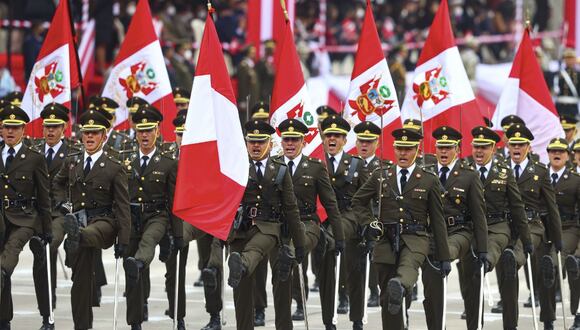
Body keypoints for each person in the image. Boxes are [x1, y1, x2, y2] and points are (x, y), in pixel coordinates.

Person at [351, 128, 450, 330]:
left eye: (408, 149)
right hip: (385, 239)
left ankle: (402, 285)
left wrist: (444, 256)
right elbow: (358, 202)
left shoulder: (429, 179)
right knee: (388, 296)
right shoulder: (381, 175)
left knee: (407, 270)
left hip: (416, 237)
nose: (403, 153)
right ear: (394, 150)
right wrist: (368, 223)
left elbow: (438, 221)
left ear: (417, 149)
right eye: (399, 149)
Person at [53, 110, 130, 330]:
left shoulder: (114, 165)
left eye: (94, 133)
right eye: (86, 132)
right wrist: (63, 204)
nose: (89, 137)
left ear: (104, 136)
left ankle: (76, 236)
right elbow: (57, 184)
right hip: (78, 220)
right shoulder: (72, 161)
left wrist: (123, 239)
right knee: (80, 282)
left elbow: (123, 205)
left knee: (88, 233)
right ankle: (82, 326)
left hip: (105, 222)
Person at [226, 120, 305, 330]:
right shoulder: (236, 167)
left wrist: (300, 244)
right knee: (241, 291)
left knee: (279, 283)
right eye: (252, 141)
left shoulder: (279, 169)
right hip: (241, 230)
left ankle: (284, 326)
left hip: (271, 229)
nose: (255, 146)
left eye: (260, 142)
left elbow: (291, 208)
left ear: (270, 144)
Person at [271, 118, 344, 327]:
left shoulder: (315, 167)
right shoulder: (274, 166)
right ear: (281, 141)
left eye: (295, 139)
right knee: (281, 276)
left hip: (308, 223)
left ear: (303, 141)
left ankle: (329, 321)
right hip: (281, 227)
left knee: (294, 257)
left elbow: (331, 204)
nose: (290, 144)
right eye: (286, 139)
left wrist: (339, 236)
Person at [460, 126, 531, 330]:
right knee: (470, 282)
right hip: (471, 229)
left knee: (506, 276)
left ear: (493, 148)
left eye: (484, 147)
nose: (479, 151)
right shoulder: (464, 171)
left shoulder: (504, 172)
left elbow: (517, 208)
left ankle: (511, 325)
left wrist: (526, 240)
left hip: (498, 227)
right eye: (476, 147)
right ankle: (474, 326)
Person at [421, 126, 488, 330]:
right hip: (432, 233)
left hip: (460, 232)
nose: (443, 151)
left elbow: (478, 214)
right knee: (431, 287)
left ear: (456, 149)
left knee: (471, 285)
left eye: (448, 147)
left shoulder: (469, 175)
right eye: (440, 147)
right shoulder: (425, 173)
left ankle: (473, 326)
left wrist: (483, 248)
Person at [122, 106, 178, 329]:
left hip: (158, 216)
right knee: (132, 274)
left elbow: (173, 200)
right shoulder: (124, 160)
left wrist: (178, 234)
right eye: (140, 130)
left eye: (148, 130)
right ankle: (135, 322)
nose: (144, 135)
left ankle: (140, 261)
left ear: (157, 131)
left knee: (147, 243)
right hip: (131, 218)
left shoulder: (168, 162)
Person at [505, 124, 562, 329]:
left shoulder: (539, 171)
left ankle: (548, 319)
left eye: (521, 144)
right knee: (508, 272)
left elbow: (551, 205)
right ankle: (510, 323)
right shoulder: (501, 170)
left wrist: (557, 239)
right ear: (508, 146)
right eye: (513, 144)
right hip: (508, 226)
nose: (517, 148)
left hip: (535, 225)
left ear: (528, 147)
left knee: (542, 271)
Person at [0, 105, 51, 330]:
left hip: (25, 218)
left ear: (23, 130)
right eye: (6, 127)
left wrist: (47, 228)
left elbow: (44, 195)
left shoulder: (34, 158)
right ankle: (4, 319)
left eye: (15, 128)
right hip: (1, 218)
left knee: (9, 257)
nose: (10, 132)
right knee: (4, 273)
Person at [30, 103, 80, 330]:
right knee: (41, 258)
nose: (50, 131)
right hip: (36, 213)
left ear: (64, 128)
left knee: (49, 247)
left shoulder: (73, 153)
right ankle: (46, 313)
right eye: (47, 127)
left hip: (61, 212)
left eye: (55, 127)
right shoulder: (33, 151)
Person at [318, 115, 368, 329]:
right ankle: (329, 320)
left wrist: (369, 227)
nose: (332, 139)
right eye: (328, 135)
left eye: (337, 136)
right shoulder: (315, 163)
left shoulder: (357, 164)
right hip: (324, 221)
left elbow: (367, 199)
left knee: (356, 273)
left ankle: (357, 319)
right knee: (326, 278)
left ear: (344, 140)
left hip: (350, 219)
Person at [353, 121, 391, 307]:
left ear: (377, 143)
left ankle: (374, 290)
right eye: (361, 141)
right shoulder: (349, 165)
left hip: (377, 217)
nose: (364, 145)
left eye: (369, 141)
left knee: (375, 255)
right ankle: (348, 294)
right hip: (354, 217)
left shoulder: (384, 167)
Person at [554, 48, 580, 118]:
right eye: (567, 58)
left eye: (571, 58)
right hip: (560, 107)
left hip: (573, 108)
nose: (570, 60)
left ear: (575, 60)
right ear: (564, 60)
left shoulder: (578, 74)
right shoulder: (558, 74)